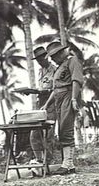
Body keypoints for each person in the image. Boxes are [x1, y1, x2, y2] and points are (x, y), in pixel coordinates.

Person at [42, 41, 84, 175]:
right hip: (59, 99)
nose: (52, 59)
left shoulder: (72, 61)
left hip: (68, 96)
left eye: (54, 56)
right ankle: (68, 164)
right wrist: (47, 104)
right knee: (61, 129)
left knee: (66, 128)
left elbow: (76, 80)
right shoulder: (59, 68)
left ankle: (68, 163)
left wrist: (73, 98)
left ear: (61, 53)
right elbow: (55, 89)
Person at [29, 46, 56, 164]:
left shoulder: (54, 70)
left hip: (51, 103)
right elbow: (42, 88)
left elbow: (55, 90)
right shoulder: (41, 71)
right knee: (34, 133)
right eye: (38, 60)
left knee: (48, 135)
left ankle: (48, 161)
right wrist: (32, 91)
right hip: (40, 102)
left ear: (46, 57)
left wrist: (47, 104)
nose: (40, 62)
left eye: (41, 59)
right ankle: (40, 159)